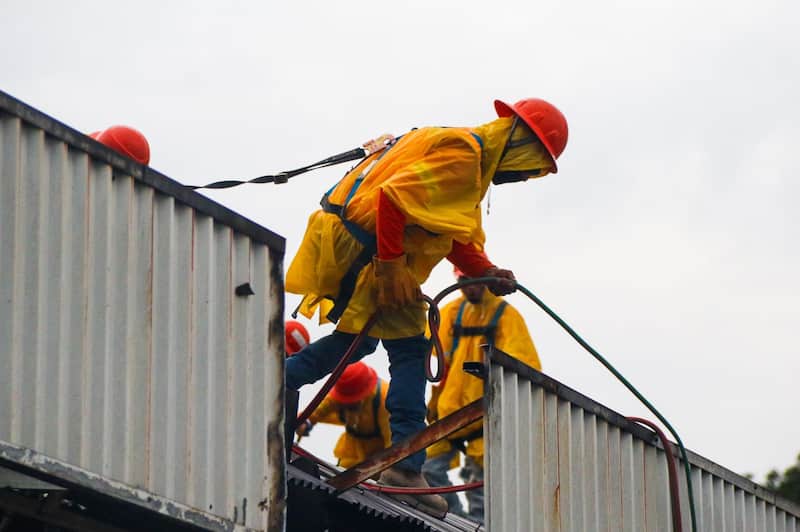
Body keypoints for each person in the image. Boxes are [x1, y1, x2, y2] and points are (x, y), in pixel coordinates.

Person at [285, 97, 568, 517]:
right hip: (377, 255)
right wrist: (390, 267)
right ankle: (404, 465)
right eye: (532, 168)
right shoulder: (464, 159)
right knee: (408, 352)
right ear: (522, 146)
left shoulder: (472, 160)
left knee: (357, 345)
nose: (525, 178)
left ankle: (274, 386)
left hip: (375, 252)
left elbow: (449, 234)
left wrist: (487, 270)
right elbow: (394, 201)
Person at [422, 268, 541, 523]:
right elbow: (441, 363)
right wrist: (433, 405)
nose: (468, 287)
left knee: (480, 492)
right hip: (450, 415)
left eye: (473, 281)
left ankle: (474, 526)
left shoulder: (506, 316)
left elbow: (524, 365)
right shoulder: (452, 313)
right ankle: (454, 519)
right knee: (427, 470)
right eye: (463, 281)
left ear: (486, 281)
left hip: (484, 419)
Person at [295, 361, 392, 469]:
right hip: (350, 454)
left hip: (378, 460)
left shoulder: (385, 401)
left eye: (351, 401)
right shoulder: (341, 392)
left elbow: (391, 444)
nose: (347, 404)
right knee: (340, 481)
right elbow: (318, 410)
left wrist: (389, 468)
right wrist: (304, 421)